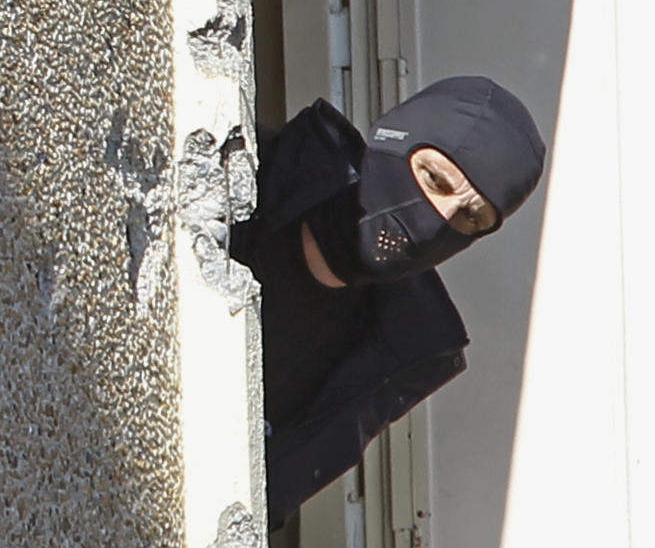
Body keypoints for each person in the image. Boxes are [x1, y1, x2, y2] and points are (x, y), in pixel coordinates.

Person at [229, 76, 545, 528]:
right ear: (394, 139)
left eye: (471, 217)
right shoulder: (241, 172)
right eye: (435, 179)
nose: (440, 219)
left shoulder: (395, 350)